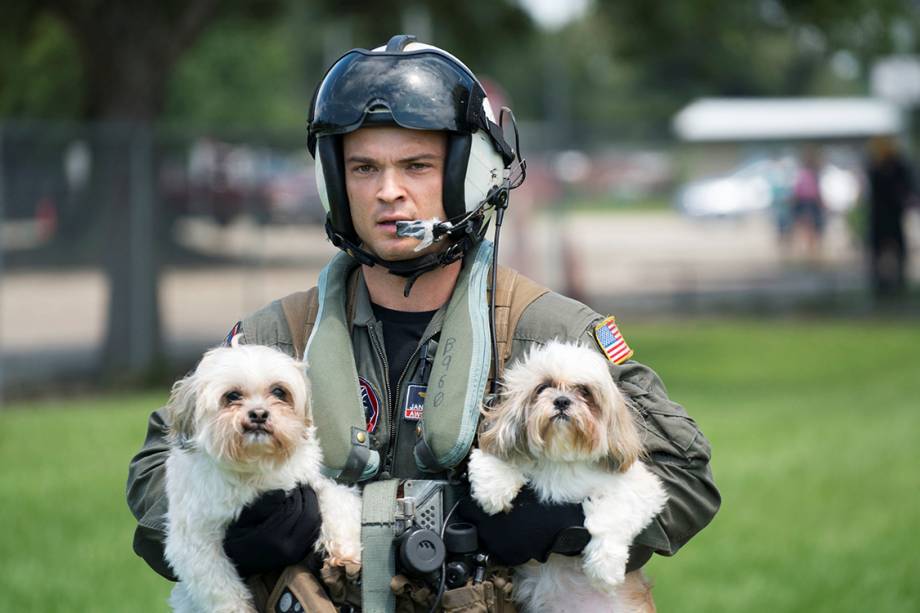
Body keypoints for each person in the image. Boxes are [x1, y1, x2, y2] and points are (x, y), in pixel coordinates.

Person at [127, 35, 720, 611]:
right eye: (363, 168)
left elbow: (685, 471)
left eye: (416, 166)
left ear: (468, 173)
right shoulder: (276, 338)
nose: (389, 193)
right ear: (335, 182)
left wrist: (562, 522)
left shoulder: (550, 333)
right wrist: (232, 526)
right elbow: (156, 465)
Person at [866, 136, 915, 298]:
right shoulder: (875, 166)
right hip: (880, 214)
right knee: (878, 250)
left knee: (897, 248)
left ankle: (898, 280)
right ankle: (880, 283)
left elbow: (906, 187)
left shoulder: (898, 166)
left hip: (893, 214)